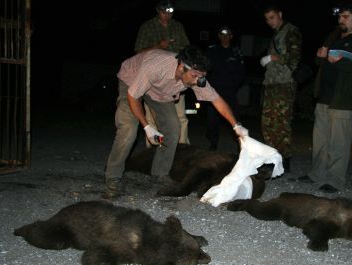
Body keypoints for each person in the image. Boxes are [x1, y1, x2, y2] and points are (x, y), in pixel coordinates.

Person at [104, 46, 249, 197]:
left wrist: (236, 125)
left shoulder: (196, 76)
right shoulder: (155, 67)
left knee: (173, 127)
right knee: (128, 130)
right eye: (194, 76)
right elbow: (133, 96)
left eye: (201, 76)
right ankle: (112, 177)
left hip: (160, 91)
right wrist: (146, 126)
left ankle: (160, 173)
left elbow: (217, 100)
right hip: (131, 80)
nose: (197, 81)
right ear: (181, 68)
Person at [297, 0, 352, 193]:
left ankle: (335, 179)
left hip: (346, 97)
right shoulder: (335, 34)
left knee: (338, 141)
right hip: (325, 94)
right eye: (339, 16)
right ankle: (317, 173)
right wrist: (320, 55)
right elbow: (321, 60)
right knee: (320, 139)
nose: (341, 20)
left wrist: (341, 62)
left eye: (345, 17)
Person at [134, 0, 190, 144]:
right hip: (154, 77)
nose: (167, 15)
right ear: (158, 10)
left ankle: (181, 146)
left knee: (180, 115)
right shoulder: (147, 27)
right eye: (164, 12)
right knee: (152, 116)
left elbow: (187, 51)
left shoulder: (178, 27)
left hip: (176, 77)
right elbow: (139, 52)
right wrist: (158, 46)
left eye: (170, 12)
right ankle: (153, 147)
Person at [260, 4, 302, 172]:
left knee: (281, 123)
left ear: (280, 14)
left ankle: (284, 160)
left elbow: (294, 57)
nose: (270, 21)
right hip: (271, 83)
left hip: (284, 84)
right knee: (268, 123)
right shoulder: (276, 34)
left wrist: (272, 57)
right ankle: (272, 158)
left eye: (272, 17)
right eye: (267, 19)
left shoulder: (291, 31)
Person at [205, 25, 245, 150]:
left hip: (230, 91)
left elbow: (242, 71)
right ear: (219, 36)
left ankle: (241, 143)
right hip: (214, 91)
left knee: (235, 118)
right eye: (222, 35)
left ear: (231, 36)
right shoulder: (212, 50)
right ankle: (213, 142)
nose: (224, 37)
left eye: (227, 34)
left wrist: (235, 84)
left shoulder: (236, 51)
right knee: (212, 118)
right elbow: (205, 68)